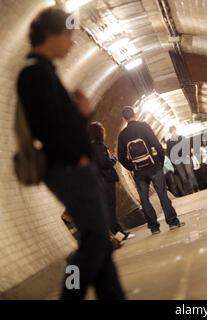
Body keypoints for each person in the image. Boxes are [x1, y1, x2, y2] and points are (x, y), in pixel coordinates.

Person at [17, 7, 125, 300]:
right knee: (94, 242)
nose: (72, 43)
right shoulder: (34, 75)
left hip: (74, 167)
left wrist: (81, 114)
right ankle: (71, 293)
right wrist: (76, 155)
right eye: (68, 36)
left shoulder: (45, 73)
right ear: (51, 35)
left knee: (100, 243)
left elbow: (60, 123)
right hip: (69, 169)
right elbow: (46, 127)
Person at [117, 107, 185, 235]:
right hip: (153, 167)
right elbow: (156, 144)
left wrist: (132, 167)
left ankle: (154, 227)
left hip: (139, 171)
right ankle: (172, 222)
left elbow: (120, 157)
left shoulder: (123, 134)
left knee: (144, 199)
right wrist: (159, 160)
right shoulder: (144, 126)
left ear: (124, 119)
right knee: (162, 194)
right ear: (135, 114)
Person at [88, 122, 135, 241]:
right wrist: (113, 159)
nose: (104, 133)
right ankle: (120, 233)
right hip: (106, 181)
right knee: (110, 209)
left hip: (99, 181)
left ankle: (118, 232)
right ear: (99, 133)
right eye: (102, 131)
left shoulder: (89, 148)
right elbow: (104, 163)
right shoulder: (99, 146)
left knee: (108, 209)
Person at [166, 126, 199, 194]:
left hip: (186, 157)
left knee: (190, 173)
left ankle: (196, 187)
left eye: (174, 130)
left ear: (176, 130)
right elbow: (169, 152)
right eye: (172, 131)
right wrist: (173, 161)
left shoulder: (182, 137)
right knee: (183, 176)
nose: (173, 132)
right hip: (177, 160)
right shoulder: (169, 142)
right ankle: (190, 190)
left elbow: (188, 146)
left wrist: (189, 155)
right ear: (170, 132)